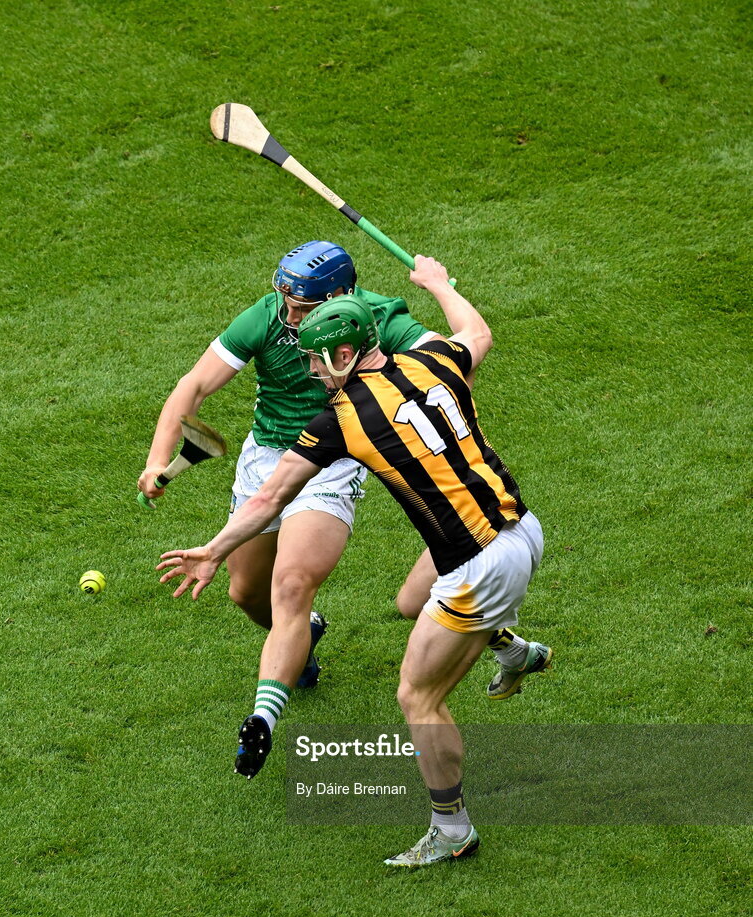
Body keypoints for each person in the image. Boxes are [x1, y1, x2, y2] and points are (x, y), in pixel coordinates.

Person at [156, 279, 553, 868]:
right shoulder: (433, 358)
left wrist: (213, 550)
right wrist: (438, 283)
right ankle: (513, 651)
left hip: (480, 565)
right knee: (411, 601)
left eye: (317, 359)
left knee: (418, 696)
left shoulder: (341, 419)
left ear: (344, 355)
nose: (312, 371)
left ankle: (452, 829)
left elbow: (266, 502)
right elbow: (478, 332)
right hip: (520, 527)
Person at [139, 241, 520, 692]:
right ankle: (303, 637)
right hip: (266, 456)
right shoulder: (266, 316)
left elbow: (453, 356)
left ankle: (267, 709)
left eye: (300, 307)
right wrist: (157, 460)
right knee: (246, 594)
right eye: (286, 301)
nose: (289, 315)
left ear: (338, 298)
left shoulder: (376, 319)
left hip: (332, 457)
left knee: (293, 585)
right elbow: (195, 384)